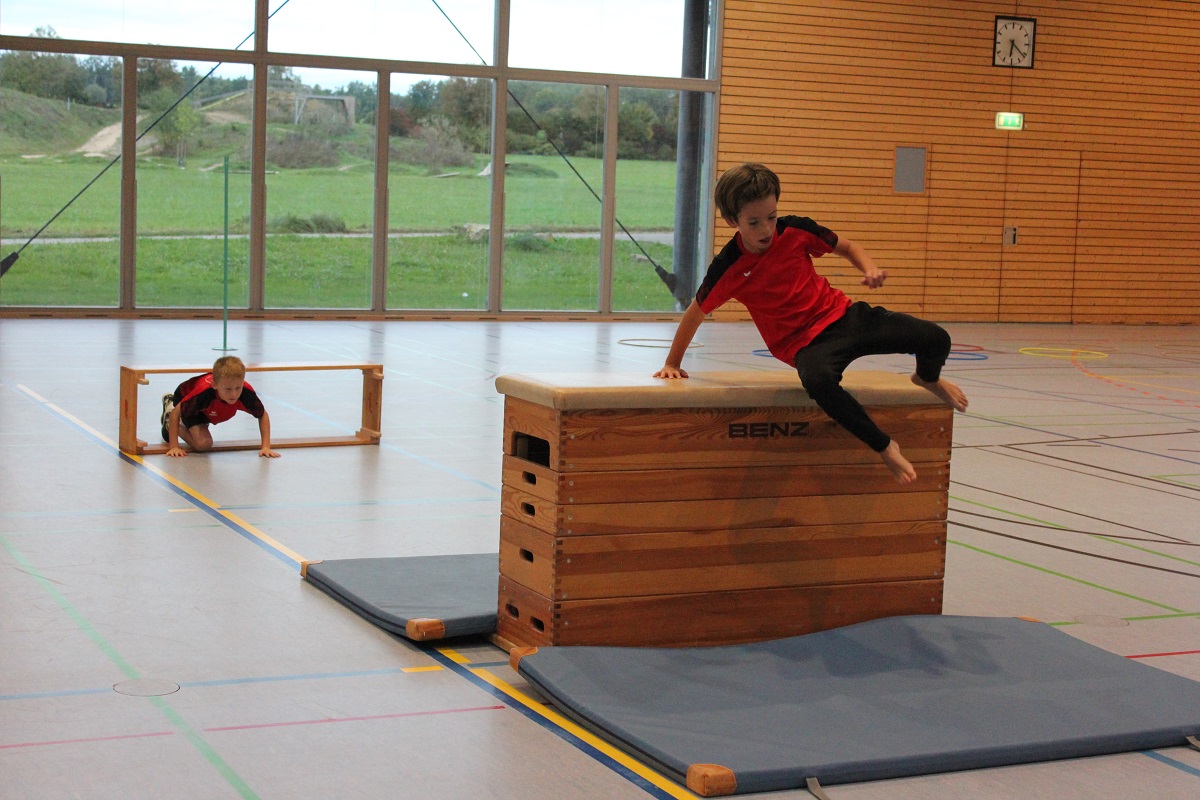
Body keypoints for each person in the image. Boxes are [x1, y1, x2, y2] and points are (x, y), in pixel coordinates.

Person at [653, 162, 967, 484]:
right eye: (754, 222)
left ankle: (927, 377)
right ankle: (885, 446)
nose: (766, 230)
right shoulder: (728, 267)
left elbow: (847, 247)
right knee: (818, 383)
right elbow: (695, 312)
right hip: (804, 345)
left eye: (772, 217)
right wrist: (672, 362)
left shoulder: (795, 230)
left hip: (843, 317)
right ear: (733, 221)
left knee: (936, 338)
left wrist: (869, 268)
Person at [160, 355, 279, 458]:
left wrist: (266, 447)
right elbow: (176, 413)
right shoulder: (202, 394)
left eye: (238, 388)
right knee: (203, 444)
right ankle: (169, 417)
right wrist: (174, 447)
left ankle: (197, 424)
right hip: (186, 399)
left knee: (219, 415)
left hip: (209, 410)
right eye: (228, 389)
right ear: (214, 385)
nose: (234, 394)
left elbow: (262, 415)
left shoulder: (246, 393)